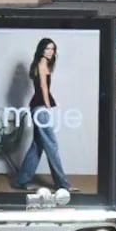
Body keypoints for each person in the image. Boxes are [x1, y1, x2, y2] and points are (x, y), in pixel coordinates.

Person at [13, 38, 77, 193]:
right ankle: (62, 184)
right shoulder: (42, 64)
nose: (50, 52)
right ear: (41, 49)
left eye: (53, 49)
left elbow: (44, 87)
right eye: (48, 48)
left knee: (38, 146)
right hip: (40, 107)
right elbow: (43, 87)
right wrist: (48, 106)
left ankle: (22, 180)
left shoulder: (41, 63)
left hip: (37, 106)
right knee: (52, 146)